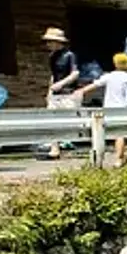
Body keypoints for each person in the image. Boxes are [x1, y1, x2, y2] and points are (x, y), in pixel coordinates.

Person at [77, 52, 127, 165]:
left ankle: (99, 158)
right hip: (122, 108)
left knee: (101, 133)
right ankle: (119, 158)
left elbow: (95, 85)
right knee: (120, 134)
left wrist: (81, 91)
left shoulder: (109, 76)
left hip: (108, 108)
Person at [44, 27, 80, 159]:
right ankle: (55, 149)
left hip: (68, 93)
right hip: (56, 94)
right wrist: (49, 91)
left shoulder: (69, 55)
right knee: (51, 121)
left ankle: (67, 145)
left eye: (50, 42)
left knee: (69, 122)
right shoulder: (52, 57)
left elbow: (75, 73)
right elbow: (53, 75)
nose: (48, 44)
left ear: (58, 42)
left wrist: (62, 84)